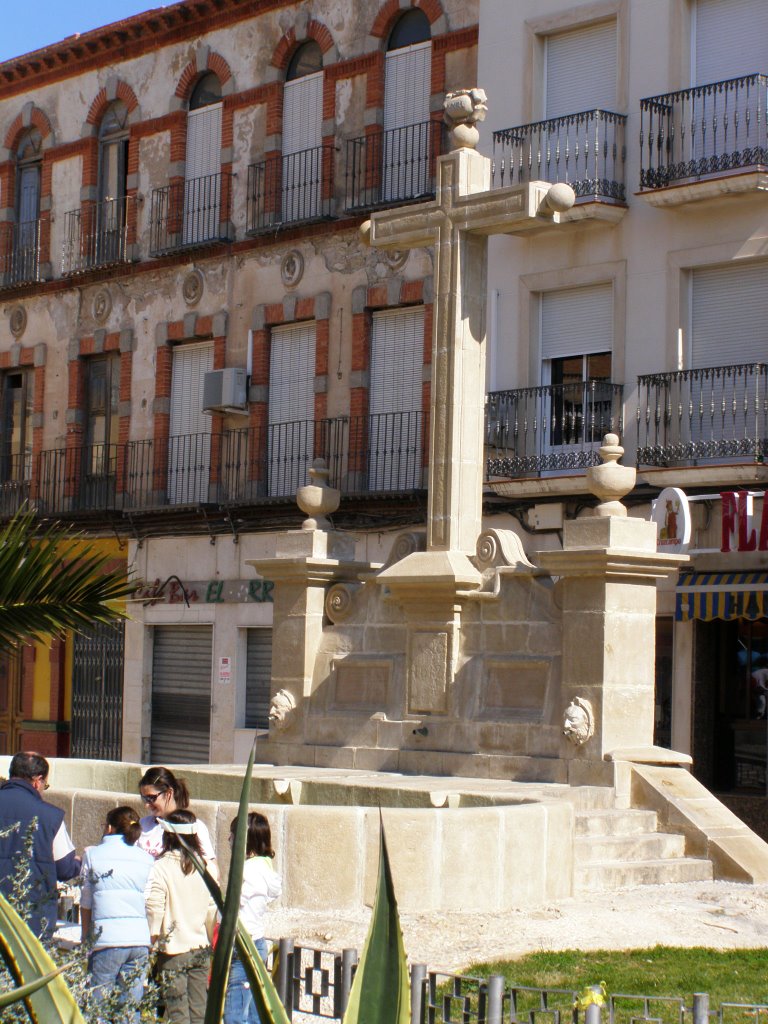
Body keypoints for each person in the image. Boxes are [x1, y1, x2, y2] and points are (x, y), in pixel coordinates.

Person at [80, 806, 154, 1022]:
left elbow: (86, 901)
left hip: (107, 941)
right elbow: (147, 900)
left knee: (98, 1008)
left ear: (109, 827)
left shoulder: (92, 855)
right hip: (139, 940)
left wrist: (86, 938)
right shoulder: (146, 859)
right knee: (129, 1011)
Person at [145, 809, 216, 1024]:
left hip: (173, 951)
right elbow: (211, 910)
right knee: (200, 1011)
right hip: (200, 947)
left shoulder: (161, 867)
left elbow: (154, 908)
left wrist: (152, 938)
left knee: (177, 1013)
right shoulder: (204, 867)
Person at [0, 750, 81, 935]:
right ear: (38, 780)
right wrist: (78, 861)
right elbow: (65, 869)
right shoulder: (50, 816)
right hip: (32, 918)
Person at [223, 812, 282, 1024]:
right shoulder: (265, 865)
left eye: (231, 836)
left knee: (235, 1014)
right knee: (255, 1011)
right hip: (256, 941)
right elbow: (275, 892)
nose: (228, 840)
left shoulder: (247, 870)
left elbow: (233, 905)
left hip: (242, 944)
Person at [137, 766, 217, 875]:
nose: (147, 805)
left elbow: (211, 868)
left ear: (169, 793)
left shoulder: (194, 827)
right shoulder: (143, 825)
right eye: (144, 798)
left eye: (151, 798)